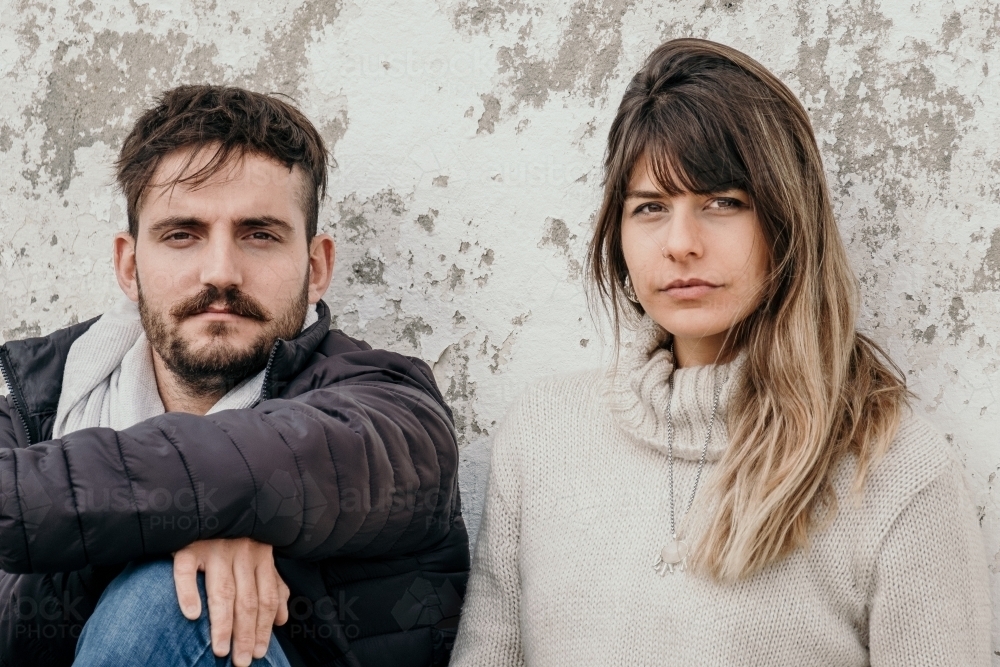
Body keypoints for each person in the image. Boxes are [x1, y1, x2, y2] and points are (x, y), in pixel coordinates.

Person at [450, 38, 991, 666]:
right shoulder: (543, 433)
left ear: (788, 219)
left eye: (723, 203)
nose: (681, 243)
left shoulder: (893, 465)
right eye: (650, 207)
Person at [0, 85, 469, 667]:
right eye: (181, 235)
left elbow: (279, 460)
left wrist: (185, 524)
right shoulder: (31, 413)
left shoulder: (388, 412)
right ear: (129, 265)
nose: (221, 272)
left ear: (317, 266)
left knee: (173, 597)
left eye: (259, 235)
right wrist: (182, 528)